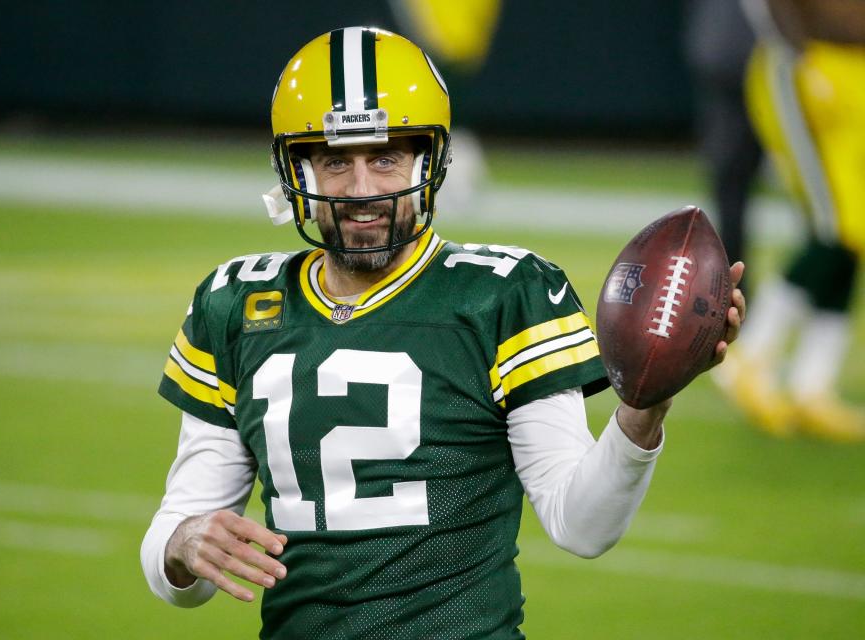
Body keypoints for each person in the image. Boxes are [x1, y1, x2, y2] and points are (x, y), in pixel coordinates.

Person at [141, 27, 746, 639]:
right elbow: (176, 554)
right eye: (334, 161)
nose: (361, 191)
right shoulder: (236, 303)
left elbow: (580, 525)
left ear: (429, 162)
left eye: (384, 158)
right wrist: (185, 543)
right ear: (295, 169)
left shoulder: (502, 294)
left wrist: (645, 410)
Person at [715, 0, 865, 442]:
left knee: (855, 227)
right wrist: (799, 52)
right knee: (835, 224)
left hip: (853, 67)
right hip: (806, 63)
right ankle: (751, 358)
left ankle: (811, 386)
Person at [684, 0, 764, 293]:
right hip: (734, 65)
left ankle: (810, 300)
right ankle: (731, 290)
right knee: (729, 187)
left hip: (791, 72)